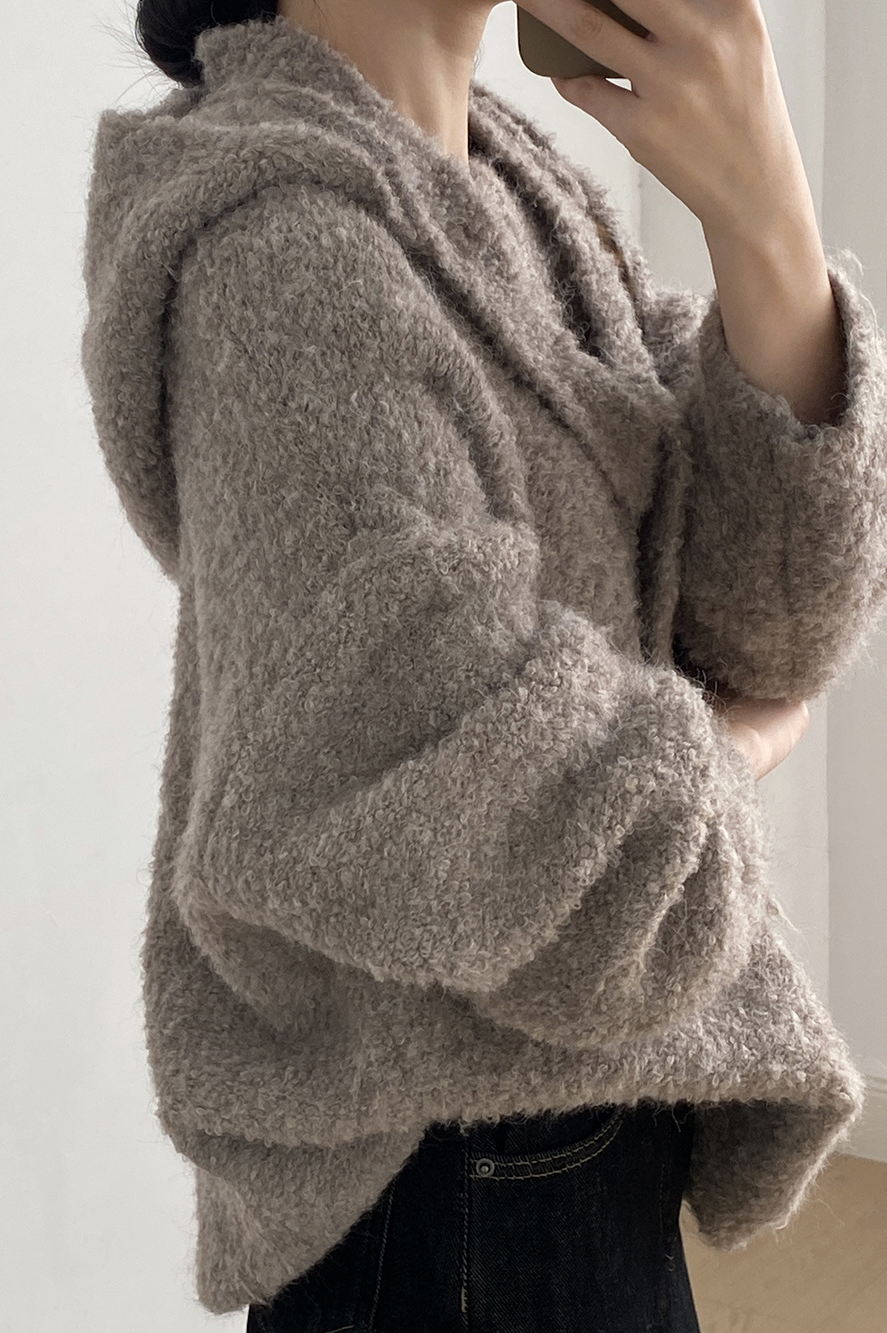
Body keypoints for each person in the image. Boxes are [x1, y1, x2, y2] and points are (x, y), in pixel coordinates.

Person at [80, 0, 887, 1325]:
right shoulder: (285, 253)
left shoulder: (502, 184)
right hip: (457, 1185)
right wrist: (730, 745)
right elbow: (435, 790)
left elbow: (770, 623)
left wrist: (767, 229)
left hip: (559, 1131)